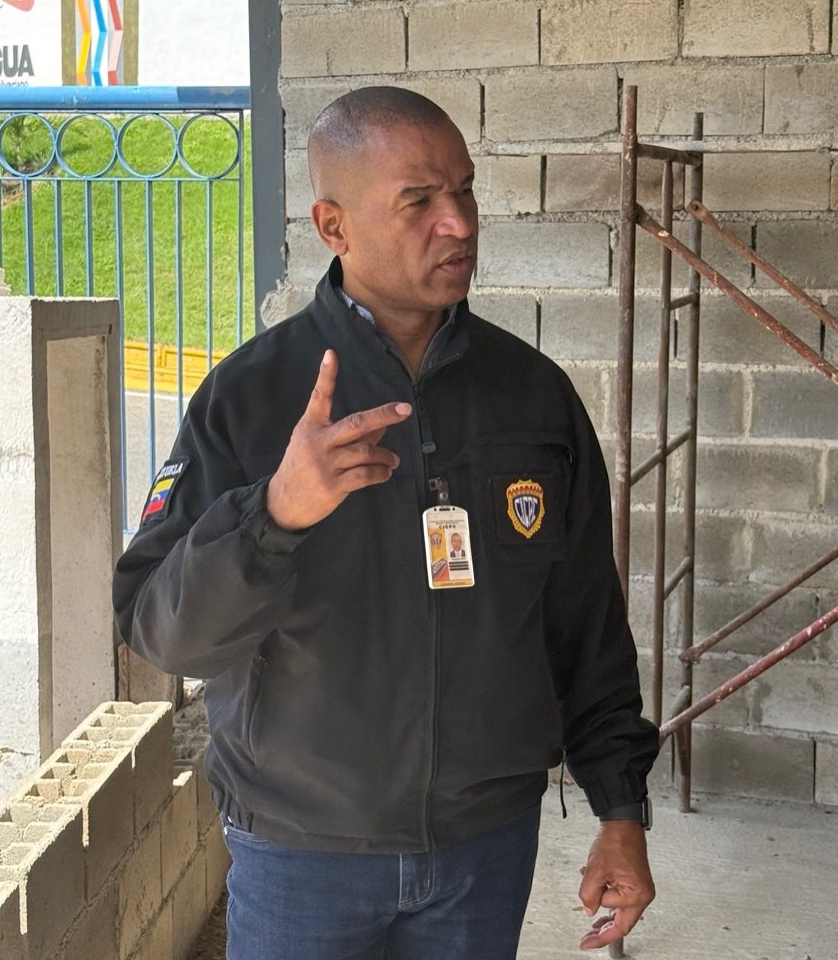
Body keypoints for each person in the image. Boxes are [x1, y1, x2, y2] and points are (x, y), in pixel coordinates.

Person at [113, 86, 658, 960]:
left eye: (464, 191)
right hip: (301, 851)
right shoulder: (249, 398)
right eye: (419, 201)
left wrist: (620, 810)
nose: (458, 223)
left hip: (485, 848)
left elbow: (584, 621)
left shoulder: (533, 396)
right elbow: (161, 633)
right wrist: (273, 515)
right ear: (334, 226)